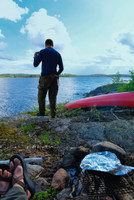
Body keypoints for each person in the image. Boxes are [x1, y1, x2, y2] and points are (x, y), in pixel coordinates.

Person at [33, 39, 64, 118]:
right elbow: (61, 68)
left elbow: (35, 64)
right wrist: (57, 74)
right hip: (54, 78)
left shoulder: (43, 51)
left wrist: (35, 57)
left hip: (45, 78)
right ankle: (53, 115)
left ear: (46, 44)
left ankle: (42, 114)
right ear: (52, 45)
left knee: (41, 96)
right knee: (53, 97)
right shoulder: (58, 54)